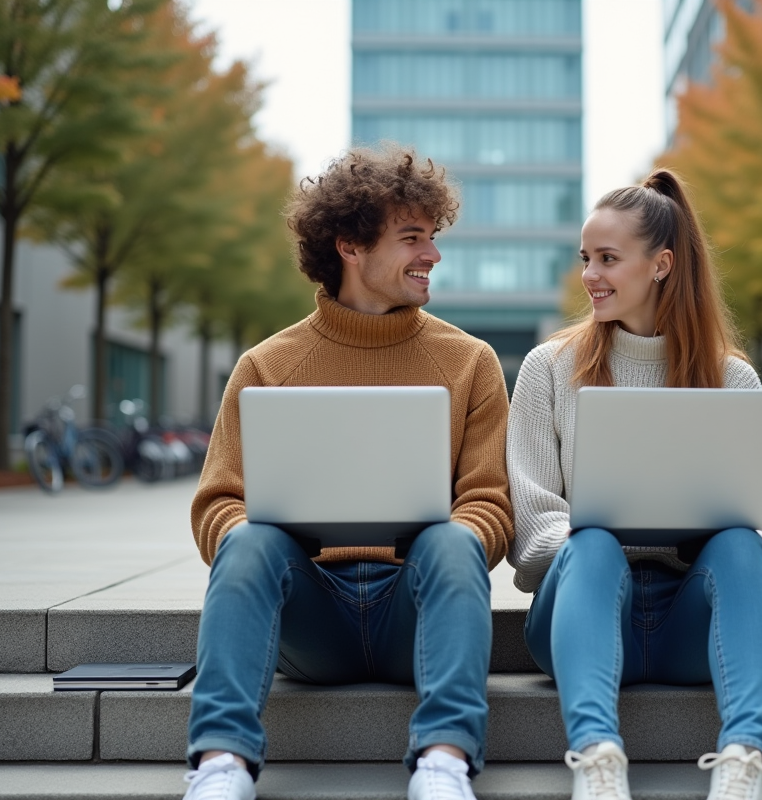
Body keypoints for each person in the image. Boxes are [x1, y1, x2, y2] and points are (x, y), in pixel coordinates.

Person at [183, 145, 514, 800]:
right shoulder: (266, 366)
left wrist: (452, 541)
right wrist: (274, 531)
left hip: (414, 613)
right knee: (249, 539)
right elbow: (217, 504)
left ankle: (443, 764)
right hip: (312, 621)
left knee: (454, 538)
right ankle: (221, 767)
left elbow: (490, 506)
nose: (433, 256)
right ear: (350, 247)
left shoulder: (471, 362)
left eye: (432, 237)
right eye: (412, 237)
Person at [506, 169, 762, 800]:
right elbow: (529, 536)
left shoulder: (731, 379)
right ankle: (598, 759)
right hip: (580, 615)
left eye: (609, 259)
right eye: (586, 258)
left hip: (686, 626)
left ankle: (744, 759)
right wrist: (604, 535)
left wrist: (694, 540)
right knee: (593, 540)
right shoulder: (547, 370)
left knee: (740, 542)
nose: (590, 276)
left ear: (661, 264)